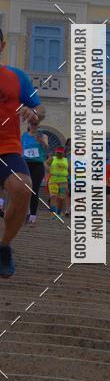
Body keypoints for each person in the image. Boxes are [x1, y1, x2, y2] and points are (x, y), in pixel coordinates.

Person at [0, 26, 45, 276]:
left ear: (2, 46)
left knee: (23, 187)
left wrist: (33, 114)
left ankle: (4, 248)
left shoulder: (17, 77)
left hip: (6, 148)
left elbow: (40, 109)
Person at [21, 118, 48, 225]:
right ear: (29, 124)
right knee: (24, 189)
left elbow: (46, 149)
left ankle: (32, 216)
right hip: (25, 164)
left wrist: (41, 141)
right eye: (32, 123)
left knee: (34, 190)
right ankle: (25, 213)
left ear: (38, 125)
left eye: (35, 124)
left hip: (37, 165)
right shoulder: (24, 136)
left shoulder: (43, 136)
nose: (33, 125)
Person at [45, 145, 69, 218]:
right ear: (56, 152)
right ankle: (53, 213)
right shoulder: (52, 158)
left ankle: (58, 212)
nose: (59, 154)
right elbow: (45, 163)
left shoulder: (66, 160)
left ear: (63, 153)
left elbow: (70, 170)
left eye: (60, 153)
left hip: (63, 181)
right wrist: (48, 168)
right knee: (53, 196)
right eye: (58, 152)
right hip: (53, 180)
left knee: (61, 198)